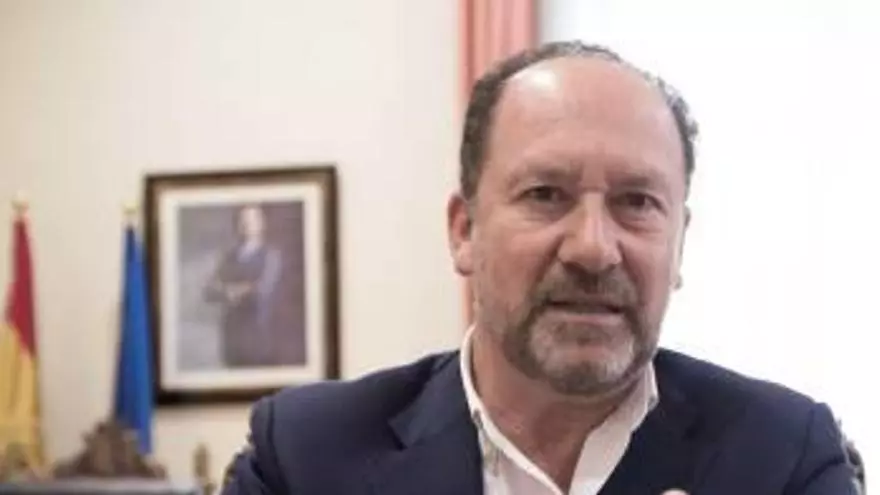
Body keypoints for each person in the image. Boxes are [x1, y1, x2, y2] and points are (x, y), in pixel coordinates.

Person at [220, 41, 860, 494]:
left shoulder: (784, 457)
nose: (593, 248)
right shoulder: (305, 457)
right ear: (464, 231)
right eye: (546, 194)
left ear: (679, 245)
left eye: (637, 202)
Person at [204, 204, 282, 368]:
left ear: (262, 224)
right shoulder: (229, 257)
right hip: (231, 336)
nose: (247, 224)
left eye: (253, 220)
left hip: (257, 334)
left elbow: (263, 290)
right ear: (237, 224)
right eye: (243, 220)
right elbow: (209, 290)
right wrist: (227, 291)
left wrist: (233, 290)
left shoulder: (270, 255)